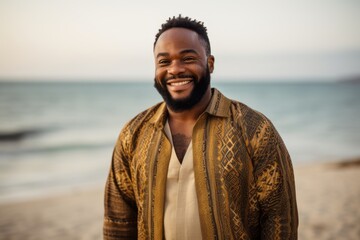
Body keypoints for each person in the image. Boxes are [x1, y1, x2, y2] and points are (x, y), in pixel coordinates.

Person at [103, 15, 298, 240]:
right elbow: (118, 221)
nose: (175, 69)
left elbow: (280, 219)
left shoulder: (254, 129)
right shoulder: (134, 134)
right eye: (164, 62)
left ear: (210, 63)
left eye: (187, 58)